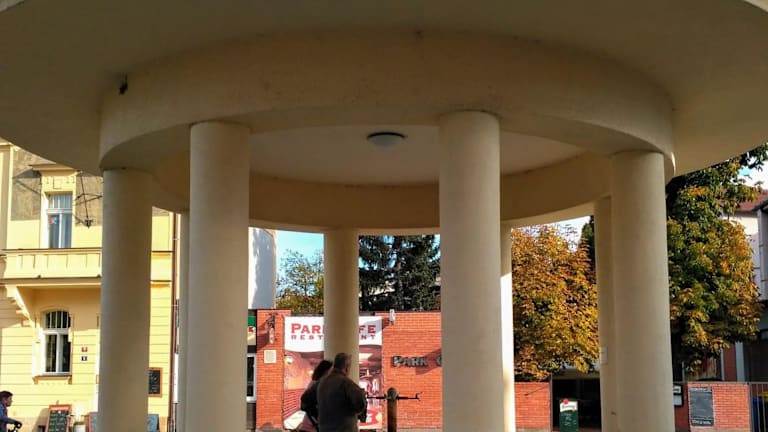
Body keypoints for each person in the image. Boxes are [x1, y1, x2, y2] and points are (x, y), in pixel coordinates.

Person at [317, 353, 367, 432]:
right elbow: (360, 403)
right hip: (344, 429)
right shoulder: (346, 383)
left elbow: (305, 399)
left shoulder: (322, 381)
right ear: (346, 367)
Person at [298, 359, 333, 432]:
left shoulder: (316, 384)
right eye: (330, 372)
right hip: (311, 427)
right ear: (325, 371)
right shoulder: (317, 385)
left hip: (312, 425)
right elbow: (306, 404)